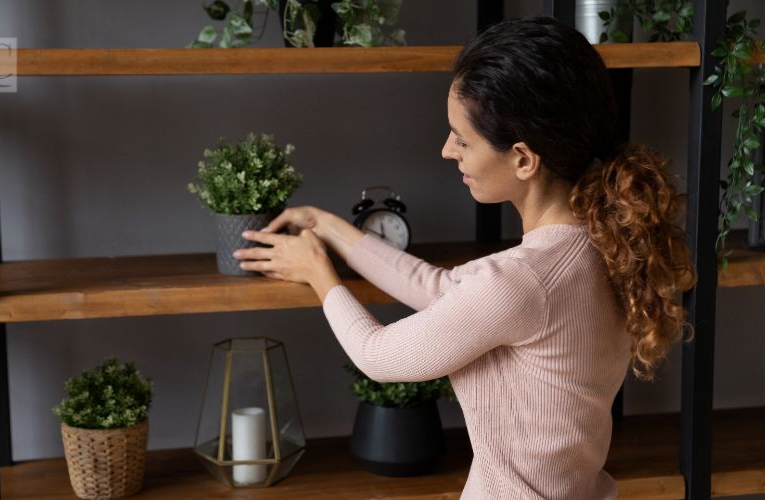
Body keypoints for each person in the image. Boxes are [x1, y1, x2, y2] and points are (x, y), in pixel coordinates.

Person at [233, 16, 696, 499]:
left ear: (523, 158)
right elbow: (446, 292)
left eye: (462, 138)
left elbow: (379, 356)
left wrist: (318, 274)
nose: (446, 150)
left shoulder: (523, 280)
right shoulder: (604, 242)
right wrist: (327, 227)